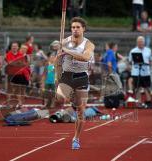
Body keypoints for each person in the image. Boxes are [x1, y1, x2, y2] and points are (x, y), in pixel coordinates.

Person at [55, 17, 95, 150]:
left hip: (81, 76)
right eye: (73, 27)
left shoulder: (88, 44)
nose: (75, 30)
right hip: (66, 76)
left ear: (83, 29)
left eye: (78, 27)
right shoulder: (64, 42)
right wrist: (57, 76)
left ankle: (76, 138)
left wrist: (66, 51)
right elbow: (57, 61)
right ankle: (73, 100)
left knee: (81, 112)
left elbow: (85, 57)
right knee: (59, 98)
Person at [128, 36, 152, 108]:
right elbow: (130, 61)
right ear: (137, 42)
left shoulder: (148, 50)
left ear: (144, 42)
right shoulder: (133, 51)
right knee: (137, 88)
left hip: (146, 72)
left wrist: (149, 64)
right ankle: (139, 102)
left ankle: (148, 102)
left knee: (146, 87)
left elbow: (150, 61)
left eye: (141, 41)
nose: (140, 43)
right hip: (136, 72)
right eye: (139, 41)